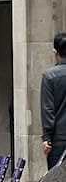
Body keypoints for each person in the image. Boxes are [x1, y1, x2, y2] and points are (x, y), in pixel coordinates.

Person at [40, 33, 66, 169]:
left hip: (59, 140)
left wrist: (47, 138)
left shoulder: (50, 76)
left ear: (55, 52)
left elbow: (48, 109)